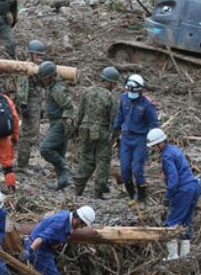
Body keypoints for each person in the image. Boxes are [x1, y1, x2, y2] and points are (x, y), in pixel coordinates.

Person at [20, 205, 95, 275]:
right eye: (82, 224)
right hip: (38, 250)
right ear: (78, 219)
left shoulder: (66, 218)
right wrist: (29, 251)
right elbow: (41, 238)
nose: (81, 227)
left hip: (45, 250)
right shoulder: (60, 224)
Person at [146, 128, 201, 260]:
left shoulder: (166, 156)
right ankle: (185, 257)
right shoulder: (174, 149)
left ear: (159, 144)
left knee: (172, 222)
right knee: (185, 222)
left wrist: (168, 196)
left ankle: (173, 257)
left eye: (153, 146)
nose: (153, 149)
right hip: (193, 187)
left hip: (183, 191)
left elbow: (174, 179)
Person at [72, 66, 120, 198]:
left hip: (85, 130)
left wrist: (75, 130)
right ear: (109, 82)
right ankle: (99, 191)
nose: (115, 86)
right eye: (114, 83)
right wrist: (115, 137)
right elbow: (114, 120)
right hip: (102, 132)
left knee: (85, 158)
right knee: (103, 161)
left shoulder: (87, 92)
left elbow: (79, 113)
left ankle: (78, 188)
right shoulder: (110, 97)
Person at [113, 73, 159, 203]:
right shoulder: (124, 98)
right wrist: (114, 130)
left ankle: (142, 196)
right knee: (124, 169)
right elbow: (120, 116)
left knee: (137, 169)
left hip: (140, 139)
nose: (132, 94)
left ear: (140, 90)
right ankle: (131, 194)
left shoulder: (147, 104)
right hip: (126, 138)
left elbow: (154, 124)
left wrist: (154, 141)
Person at [38, 61, 75, 190]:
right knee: (59, 152)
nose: (43, 80)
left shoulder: (57, 88)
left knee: (45, 149)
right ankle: (62, 181)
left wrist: (67, 122)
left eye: (45, 78)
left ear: (52, 76)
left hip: (60, 123)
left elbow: (69, 105)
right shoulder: (52, 87)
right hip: (55, 122)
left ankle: (64, 166)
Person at [15, 40, 47, 170]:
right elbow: (22, 87)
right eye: (37, 55)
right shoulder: (27, 68)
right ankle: (22, 164)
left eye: (41, 55)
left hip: (36, 103)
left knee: (32, 134)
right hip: (30, 104)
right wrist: (23, 104)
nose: (39, 57)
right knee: (29, 135)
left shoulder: (37, 68)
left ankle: (24, 162)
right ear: (31, 54)